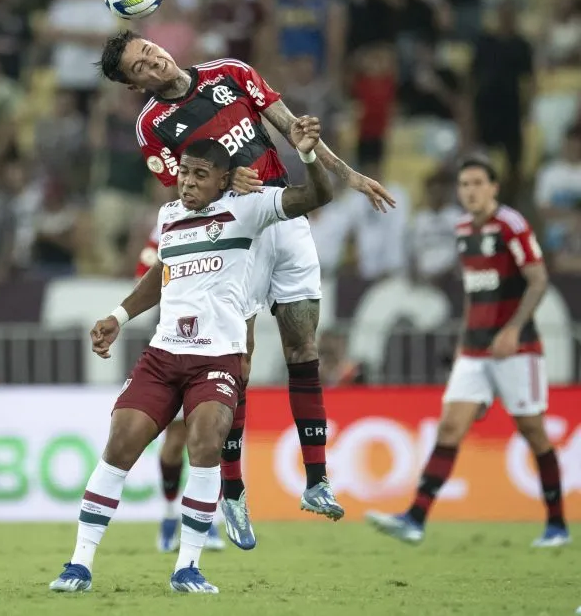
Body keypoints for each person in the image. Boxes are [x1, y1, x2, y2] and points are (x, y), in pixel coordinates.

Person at [98, 30, 396, 546]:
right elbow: (187, 191)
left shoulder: (230, 73)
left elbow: (294, 131)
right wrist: (226, 181)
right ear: (132, 85)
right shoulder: (151, 126)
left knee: (303, 347)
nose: (152, 63)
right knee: (238, 360)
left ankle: (317, 481)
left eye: (148, 52)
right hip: (236, 231)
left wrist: (347, 174)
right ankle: (232, 493)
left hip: (285, 213)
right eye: (138, 68)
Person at [50, 130, 334, 595]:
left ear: (224, 180)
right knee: (120, 443)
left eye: (201, 175)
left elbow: (319, 194)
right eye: (184, 173)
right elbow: (161, 272)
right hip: (163, 356)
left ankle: (188, 567)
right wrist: (118, 316)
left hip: (216, 359)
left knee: (204, 444)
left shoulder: (249, 208)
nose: (188, 182)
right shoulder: (169, 217)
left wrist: (306, 154)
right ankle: (79, 564)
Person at [366, 158, 570, 548]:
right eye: (464, 184)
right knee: (449, 428)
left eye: (478, 183)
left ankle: (557, 524)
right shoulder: (461, 230)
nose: (470, 191)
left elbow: (538, 280)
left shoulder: (511, 225)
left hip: (516, 349)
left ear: (494, 188)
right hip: (475, 352)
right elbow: (474, 294)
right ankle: (414, 519)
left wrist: (513, 329)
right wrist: (463, 342)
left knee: (533, 431)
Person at [134, 224, 226, 553]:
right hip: (174, 339)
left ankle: (207, 520)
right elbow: (145, 272)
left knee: (210, 437)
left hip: (216, 339)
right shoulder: (168, 224)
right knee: (174, 440)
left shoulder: (229, 218)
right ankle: (170, 514)